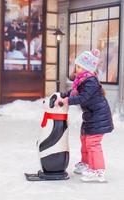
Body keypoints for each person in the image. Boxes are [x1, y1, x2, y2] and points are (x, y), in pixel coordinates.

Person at [54, 49, 114, 183]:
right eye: (76, 65)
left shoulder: (90, 81)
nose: (76, 68)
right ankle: (87, 163)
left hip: (98, 117)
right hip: (91, 117)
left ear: (88, 68)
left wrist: (67, 101)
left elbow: (83, 97)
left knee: (93, 143)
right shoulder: (82, 80)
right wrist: (64, 95)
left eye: (79, 66)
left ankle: (98, 170)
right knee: (85, 140)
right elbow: (75, 92)